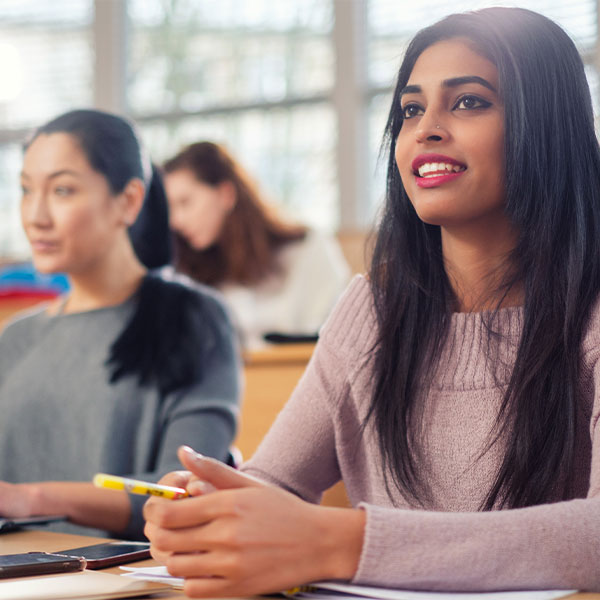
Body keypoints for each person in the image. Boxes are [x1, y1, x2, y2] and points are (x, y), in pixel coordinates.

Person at [143, 6, 600, 596]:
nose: (426, 129)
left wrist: (341, 543)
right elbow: (274, 485)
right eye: (411, 109)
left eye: (468, 102)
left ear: (548, 125)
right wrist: (213, 511)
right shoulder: (370, 312)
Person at [0, 109, 241, 540]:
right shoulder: (16, 337)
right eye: (25, 190)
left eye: (62, 190)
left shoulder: (194, 318)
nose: (35, 215)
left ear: (128, 201)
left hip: (127, 579)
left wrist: (31, 499)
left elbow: (181, 488)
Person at [162, 141, 350, 348]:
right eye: (170, 208)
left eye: (185, 202)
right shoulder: (188, 274)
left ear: (226, 194)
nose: (175, 221)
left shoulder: (308, 249)